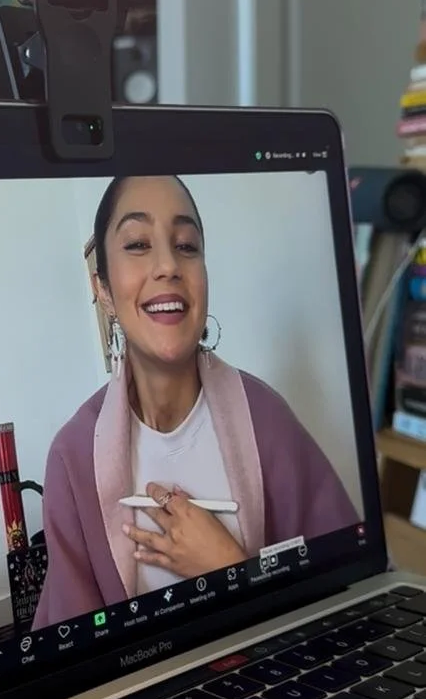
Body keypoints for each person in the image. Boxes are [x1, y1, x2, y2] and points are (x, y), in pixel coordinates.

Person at [33, 173, 358, 629]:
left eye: (186, 245)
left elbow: (350, 600)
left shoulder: (267, 420)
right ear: (102, 288)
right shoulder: (73, 458)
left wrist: (234, 571)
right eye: (138, 244)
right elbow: (70, 658)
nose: (168, 264)